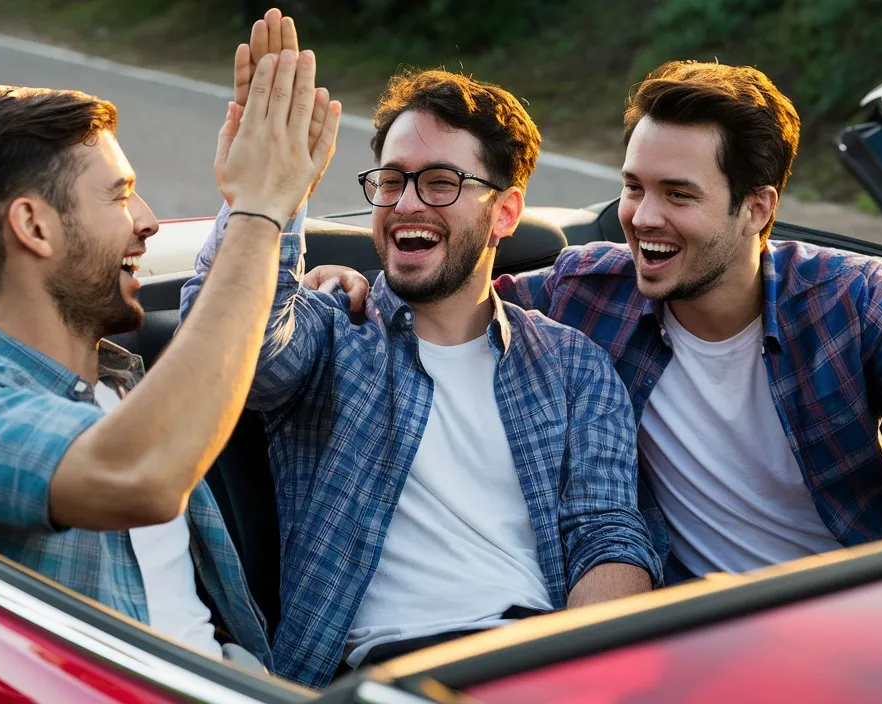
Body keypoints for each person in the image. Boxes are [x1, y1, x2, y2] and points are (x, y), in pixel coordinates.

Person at [306, 59, 882, 586]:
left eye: (677, 194)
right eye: (633, 187)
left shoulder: (842, 297)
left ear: (756, 208)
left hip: (866, 610)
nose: (643, 219)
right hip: (693, 633)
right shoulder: (589, 291)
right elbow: (460, 294)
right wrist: (357, 285)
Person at [179, 11, 660, 688]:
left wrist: (588, 679)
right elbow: (221, 352)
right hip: (386, 679)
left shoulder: (573, 367)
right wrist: (269, 201)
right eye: (391, 179)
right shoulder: (329, 332)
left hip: (537, 662)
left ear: (505, 212)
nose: (407, 203)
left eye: (440, 183)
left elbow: (606, 534)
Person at [0, 48, 340, 670]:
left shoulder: (120, 378)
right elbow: (141, 472)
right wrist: (256, 211)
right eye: (121, 197)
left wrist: (280, 200)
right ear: (33, 226)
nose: (148, 223)